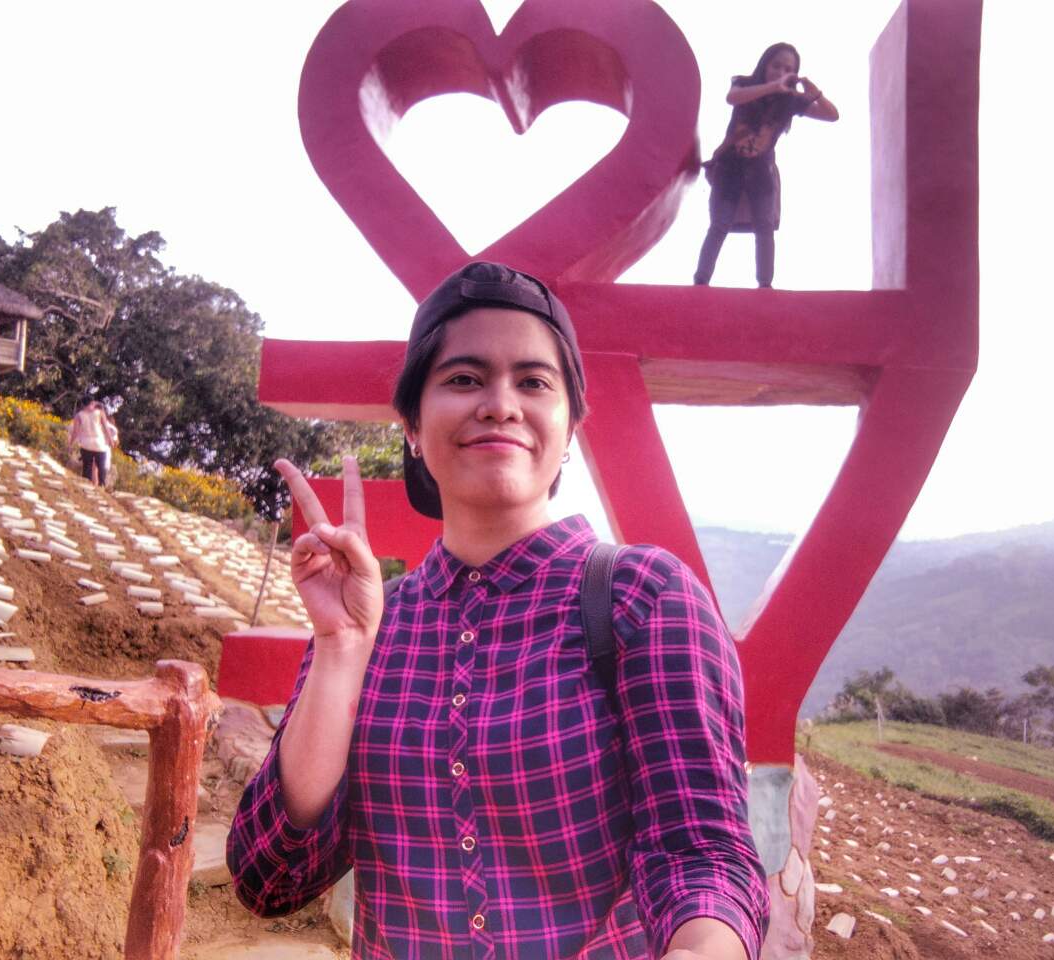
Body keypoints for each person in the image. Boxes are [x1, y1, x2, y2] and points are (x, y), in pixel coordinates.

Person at [227, 262, 769, 960]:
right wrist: (340, 650)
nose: (500, 404)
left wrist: (702, 950)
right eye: (463, 378)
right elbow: (268, 879)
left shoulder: (645, 598)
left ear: (570, 428)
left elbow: (702, 852)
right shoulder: (369, 624)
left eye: (534, 382)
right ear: (411, 425)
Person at [693, 42, 839, 289]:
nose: (781, 72)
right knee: (719, 224)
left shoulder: (791, 101)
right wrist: (774, 86)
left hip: (761, 171)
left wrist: (816, 93)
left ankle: (765, 285)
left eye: (788, 69)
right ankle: (701, 281)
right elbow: (732, 98)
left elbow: (832, 115)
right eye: (776, 66)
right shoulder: (744, 84)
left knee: (765, 226)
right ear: (765, 65)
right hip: (729, 167)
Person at [67, 400, 110, 485]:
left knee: (87, 466)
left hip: (86, 443)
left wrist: (70, 443)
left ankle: (86, 484)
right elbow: (106, 428)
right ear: (91, 403)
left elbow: (75, 432)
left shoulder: (79, 415)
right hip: (99, 442)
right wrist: (110, 441)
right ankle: (102, 484)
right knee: (101, 466)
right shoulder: (99, 413)